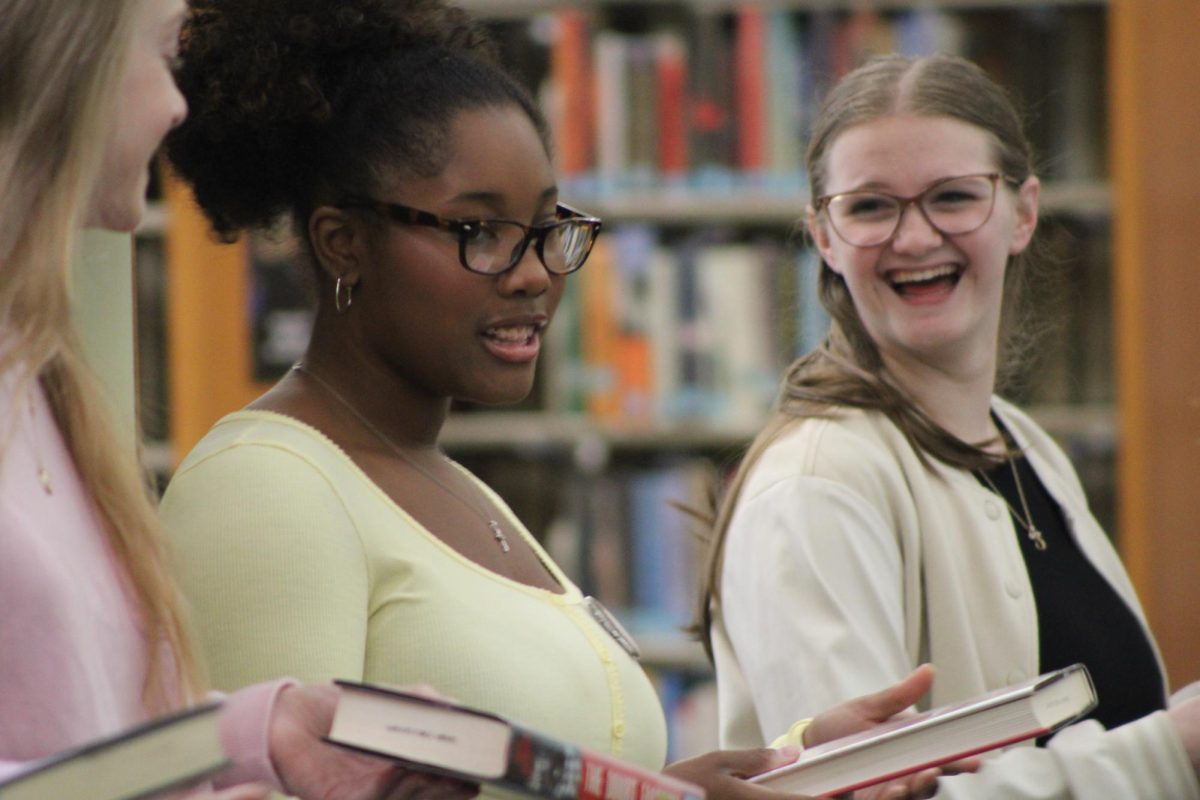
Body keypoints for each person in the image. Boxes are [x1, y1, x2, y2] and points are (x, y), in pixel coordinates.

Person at [157, 3, 957, 799]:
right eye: (480, 229)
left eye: (546, 227)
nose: (536, 272)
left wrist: (798, 762)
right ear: (344, 243)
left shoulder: (448, 482)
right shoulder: (262, 491)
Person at [0, 1, 483, 798]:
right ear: (66, 63)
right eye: (162, 54)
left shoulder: (43, 384)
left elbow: (89, 742)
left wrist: (264, 734)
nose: (176, 104)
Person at [698, 53, 1200, 798]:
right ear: (824, 236)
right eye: (870, 207)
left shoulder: (1023, 445)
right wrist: (1170, 753)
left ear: (1023, 213)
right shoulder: (816, 488)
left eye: (953, 197)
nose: (913, 238)